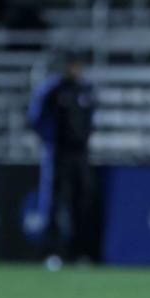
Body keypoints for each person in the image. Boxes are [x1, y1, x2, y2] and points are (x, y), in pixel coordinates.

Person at [26, 52, 97, 267]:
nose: (77, 69)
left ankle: (79, 253)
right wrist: (50, 140)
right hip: (57, 154)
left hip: (80, 154)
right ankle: (51, 252)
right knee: (54, 202)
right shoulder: (52, 89)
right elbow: (34, 118)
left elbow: (90, 118)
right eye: (74, 65)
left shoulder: (84, 90)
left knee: (81, 201)